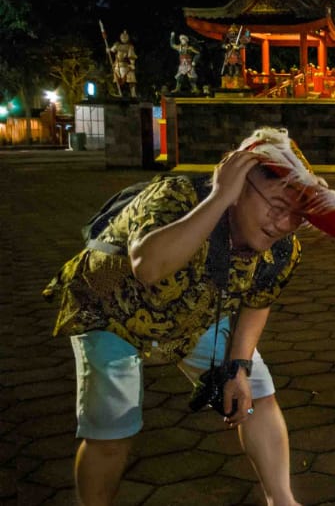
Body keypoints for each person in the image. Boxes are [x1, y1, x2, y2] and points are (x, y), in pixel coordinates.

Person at [43, 127, 316, 506]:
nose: (282, 223)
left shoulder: (283, 248)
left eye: (295, 214)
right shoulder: (176, 197)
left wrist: (238, 367)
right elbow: (149, 267)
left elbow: (258, 300)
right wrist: (219, 198)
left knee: (258, 393)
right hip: (111, 309)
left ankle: (283, 501)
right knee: (111, 430)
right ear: (239, 184)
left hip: (194, 310)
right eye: (275, 205)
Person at [109, 30, 138, 98]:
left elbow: (131, 56)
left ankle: (133, 93)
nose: (124, 38)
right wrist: (108, 50)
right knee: (116, 79)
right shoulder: (117, 45)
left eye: (125, 37)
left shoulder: (130, 46)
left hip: (126, 65)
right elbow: (112, 50)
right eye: (122, 37)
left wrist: (132, 64)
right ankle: (118, 92)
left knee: (131, 78)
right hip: (118, 65)